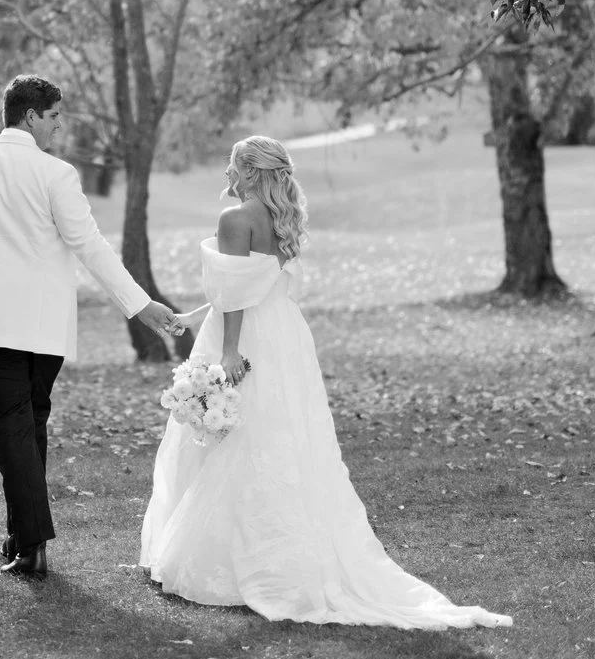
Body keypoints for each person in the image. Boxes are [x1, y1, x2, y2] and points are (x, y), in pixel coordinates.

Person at [139, 135, 512, 629]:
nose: (227, 174)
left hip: (245, 335)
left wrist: (228, 351)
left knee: (236, 436)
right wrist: (192, 317)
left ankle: (227, 562)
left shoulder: (234, 219)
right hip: (283, 333)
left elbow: (236, 295)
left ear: (249, 171)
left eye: (232, 166)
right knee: (279, 435)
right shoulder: (282, 218)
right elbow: (251, 284)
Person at [0, 74, 181, 578]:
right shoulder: (57, 174)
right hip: (44, 325)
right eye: (55, 116)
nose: (60, 125)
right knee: (27, 425)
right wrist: (139, 304)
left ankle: (31, 543)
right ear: (30, 116)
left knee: (14, 427)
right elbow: (90, 246)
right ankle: (23, 537)